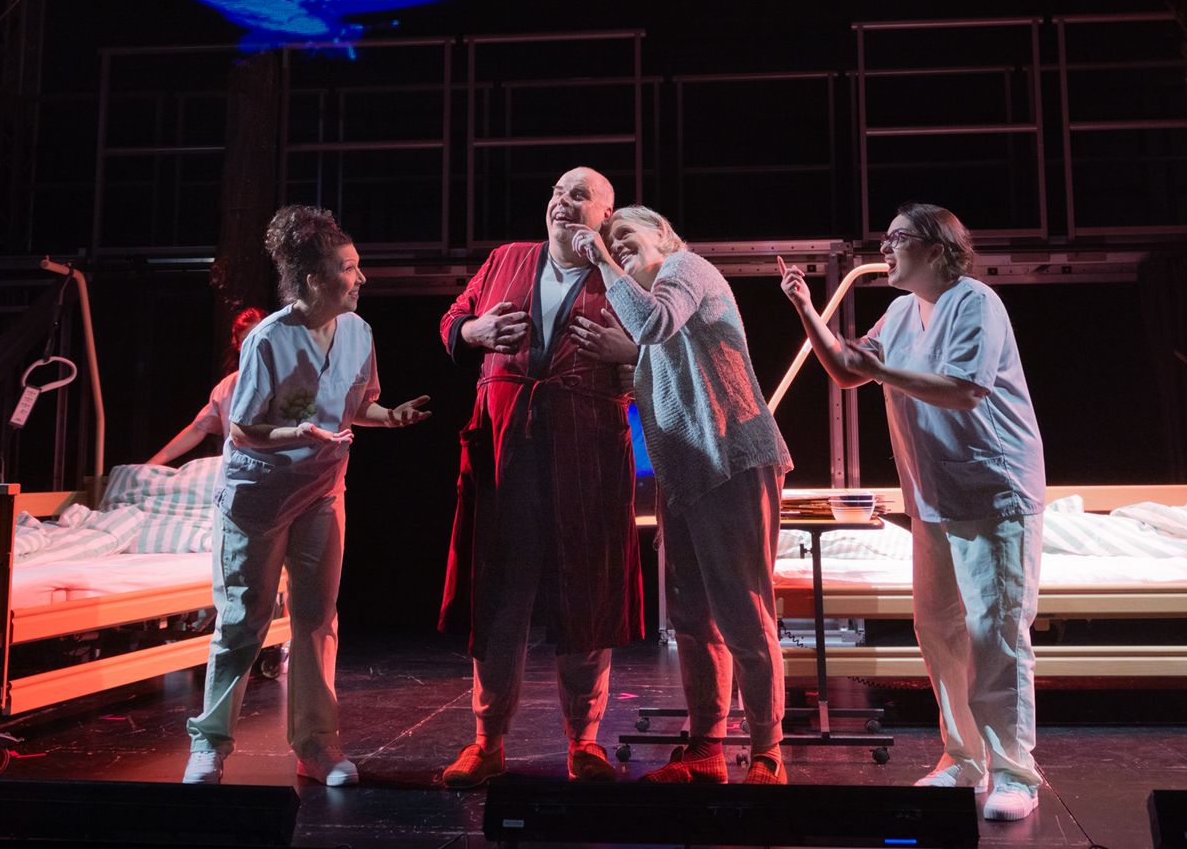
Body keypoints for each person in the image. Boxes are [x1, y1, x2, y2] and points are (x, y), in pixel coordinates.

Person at [777, 203, 1045, 822]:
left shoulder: (975, 303)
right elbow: (849, 371)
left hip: (992, 492)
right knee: (939, 631)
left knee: (995, 634)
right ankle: (964, 760)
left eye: (897, 238)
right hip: (932, 497)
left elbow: (965, 389)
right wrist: (806, 309)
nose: (884, 248)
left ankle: (1015, 773)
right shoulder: (900, 312)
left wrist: (883, 369)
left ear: (937, 247)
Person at [182, 207, 431, 786]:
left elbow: (358, 405)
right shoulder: (269, 338)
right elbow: (243, 427)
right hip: (258, 499)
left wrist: (389, 417)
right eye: (348, 268)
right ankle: (210, 745)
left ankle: (316, 745)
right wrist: (299, 432)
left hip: (321, 493)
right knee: (242, 621)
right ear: (314, 279)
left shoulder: (359, 333)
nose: (361, 278)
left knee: (317, 619)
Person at [569, 204, 794, 786]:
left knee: (744, 611)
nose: (615, 243)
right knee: (692, 617)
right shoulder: (660, 306)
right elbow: (660, 356)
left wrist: (600, 259)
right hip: (688, 475)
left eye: (626, 233)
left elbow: (652, 324)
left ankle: (768, 750)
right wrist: (629, 363)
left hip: (732, 460)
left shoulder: (685, 269)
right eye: (609, 238)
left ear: (663, 235)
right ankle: (706, 747)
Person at [436, 166, 644, 788]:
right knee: (500, 596)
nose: (562, 202)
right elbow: (452, 319)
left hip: (587, 454)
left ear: (604, 217)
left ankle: (584, 741)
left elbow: (665, 346)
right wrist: (474, 331)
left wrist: (632, 357)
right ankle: (487, 741)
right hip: (506, 453)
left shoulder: (622, 275)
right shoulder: (507, 259)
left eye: (579, 196)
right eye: (556, 192)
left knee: (586, 594)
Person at [147, 307, 267, 465]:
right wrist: (151, 464)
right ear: (237, 345)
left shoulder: (288, 377)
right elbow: (197, 429)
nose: (253, 346)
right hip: (239, 471)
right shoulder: (226, 388)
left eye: (259, 338)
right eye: (246, 341)